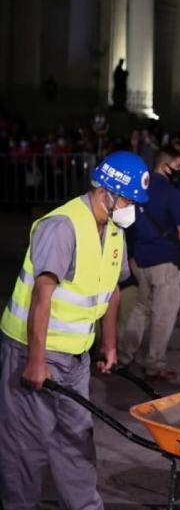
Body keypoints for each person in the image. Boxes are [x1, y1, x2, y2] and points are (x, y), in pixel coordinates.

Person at [0, 151, 149, 508]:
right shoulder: (62, 226)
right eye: (128, 199)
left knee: (76, 437)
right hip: (31, 350)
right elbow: (42, 296)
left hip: (76, 356)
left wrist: (109, 343)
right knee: (26, 446)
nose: (132, 208)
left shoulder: (113, 230)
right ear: (106, 193)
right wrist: (36, 362)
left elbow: (112, 289)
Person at [120, 146, 180, 382]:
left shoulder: (140, 186)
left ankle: (123, 356)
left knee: (141, 308)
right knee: (164, 313)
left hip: (141, 258)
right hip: (166, 261)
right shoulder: (172, 193)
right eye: (178, 166)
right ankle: (154, 364)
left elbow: (128, 223)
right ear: (165, 165)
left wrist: (131, 255)